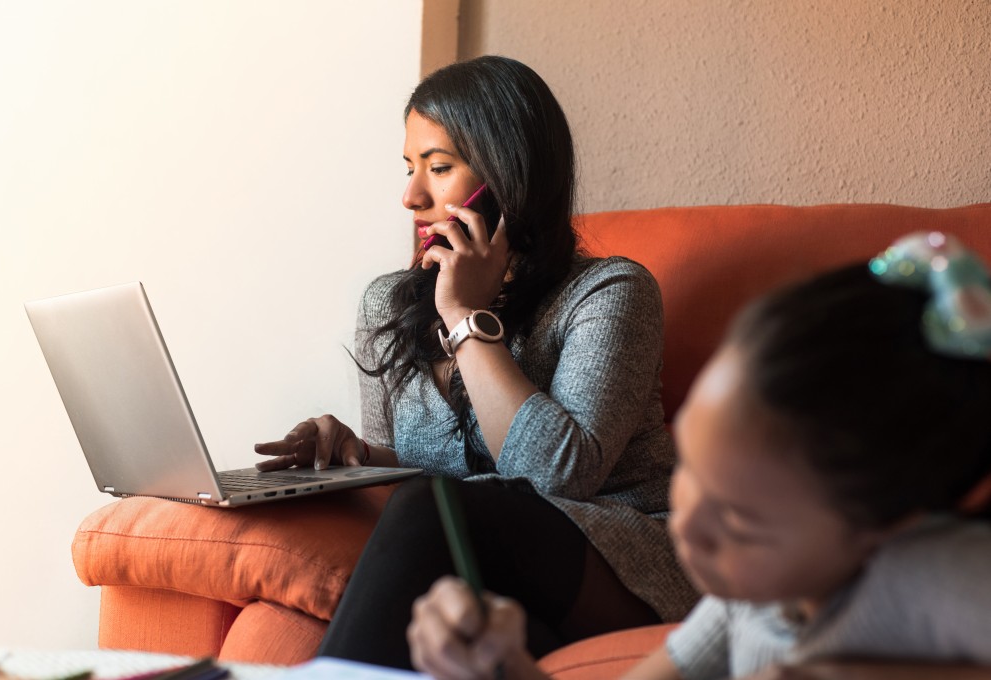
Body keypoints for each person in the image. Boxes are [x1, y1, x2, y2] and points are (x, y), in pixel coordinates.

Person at [253, 55, 699, 668]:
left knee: (437, 506)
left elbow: (555, 478)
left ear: (505, 178)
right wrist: (354, 452)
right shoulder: (388, 301)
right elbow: (408, 472)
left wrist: (466, 319)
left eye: (438, 168)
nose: (411, 197)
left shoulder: (611, 293)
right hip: (484, 587)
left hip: (617, 571)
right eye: (409, 169)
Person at [407, 231, 991, 680]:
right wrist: (503, 666)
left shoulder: (930, 577)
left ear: (891, 524)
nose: (688, 522)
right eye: (692, 470)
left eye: (741, 517)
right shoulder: (749, 600)